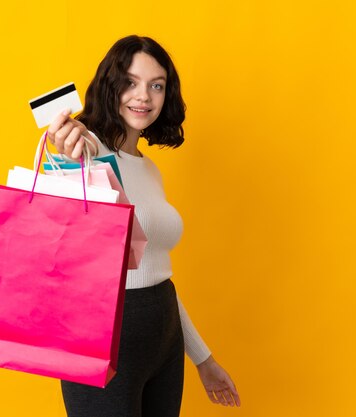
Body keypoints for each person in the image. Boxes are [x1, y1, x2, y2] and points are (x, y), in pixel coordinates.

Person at [47, 35, 241, 417]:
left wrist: (203, 360)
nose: (144, 97)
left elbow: (157, 274)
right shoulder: (89, 151)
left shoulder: (149, 170)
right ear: (110, 86)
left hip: (163, 334)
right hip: (104, 337)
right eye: (131, 82)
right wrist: (66, 151)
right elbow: (68, 158)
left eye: (157, 85)